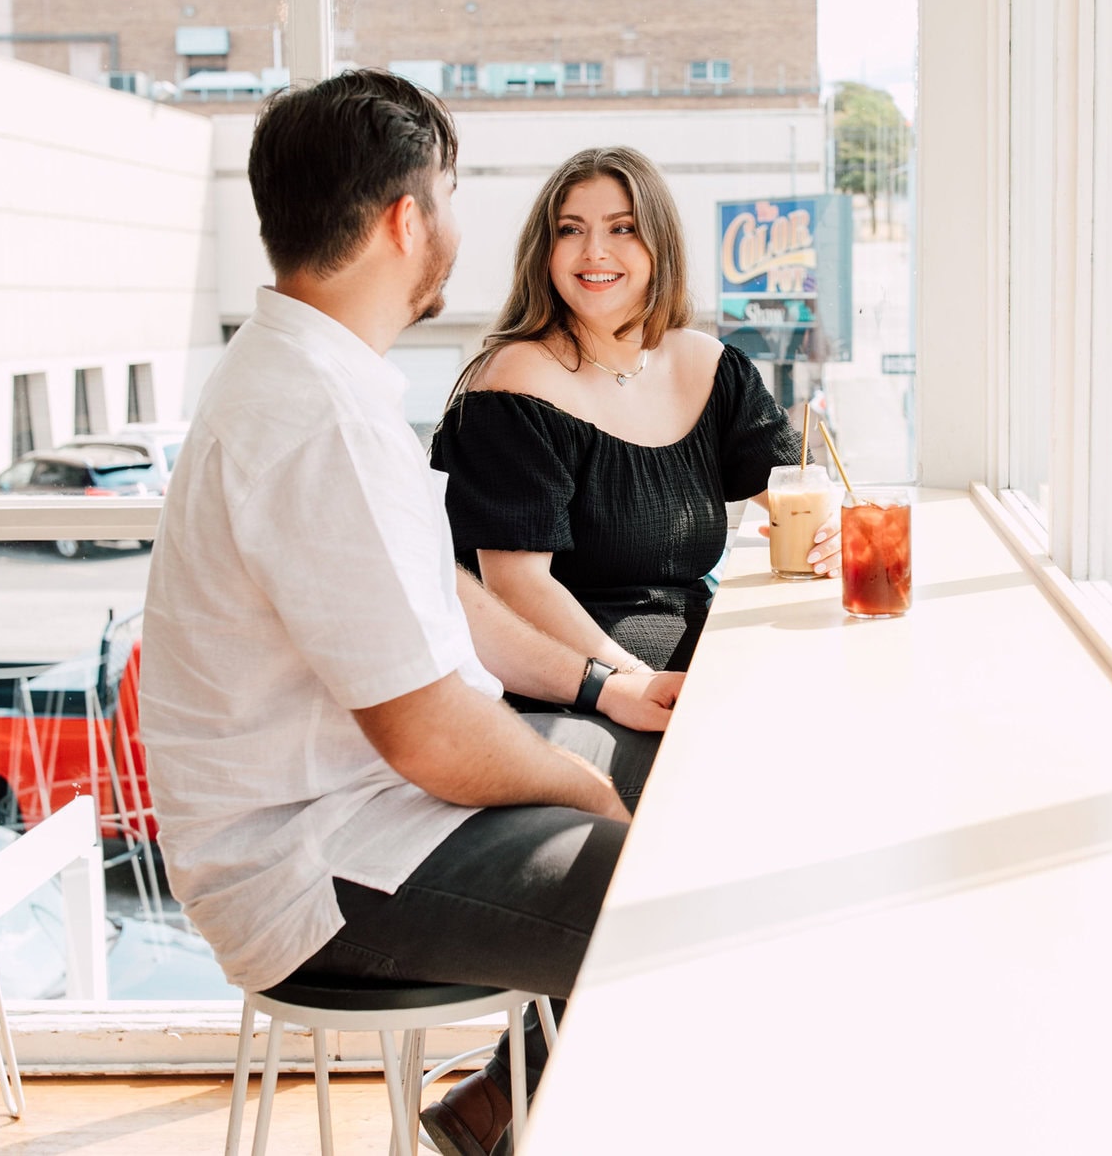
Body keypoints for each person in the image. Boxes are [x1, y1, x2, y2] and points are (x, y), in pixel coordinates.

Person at [140, 72, 681, 1156]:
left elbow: (443, 599)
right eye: (447, 195)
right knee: (678, 900)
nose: (453, 224)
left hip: (363, 809)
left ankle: (496, 1111)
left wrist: (596, 684)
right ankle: (535, 1110)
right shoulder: (314, 415)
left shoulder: (312, 373)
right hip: (318, 869)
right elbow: (429, 734)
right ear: (404, 218)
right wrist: (583, 789)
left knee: (646, 763)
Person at [430, 146, 840, 686]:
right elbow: (517, 588)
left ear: (657, 245)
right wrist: (631, 682)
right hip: (574, 685)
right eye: (570, 229)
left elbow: (797, 487)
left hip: (696, 664)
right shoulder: (512, 385)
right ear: (545, 251)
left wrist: (832, 530)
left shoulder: (709, 366)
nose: (593, 251)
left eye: (622, 228)